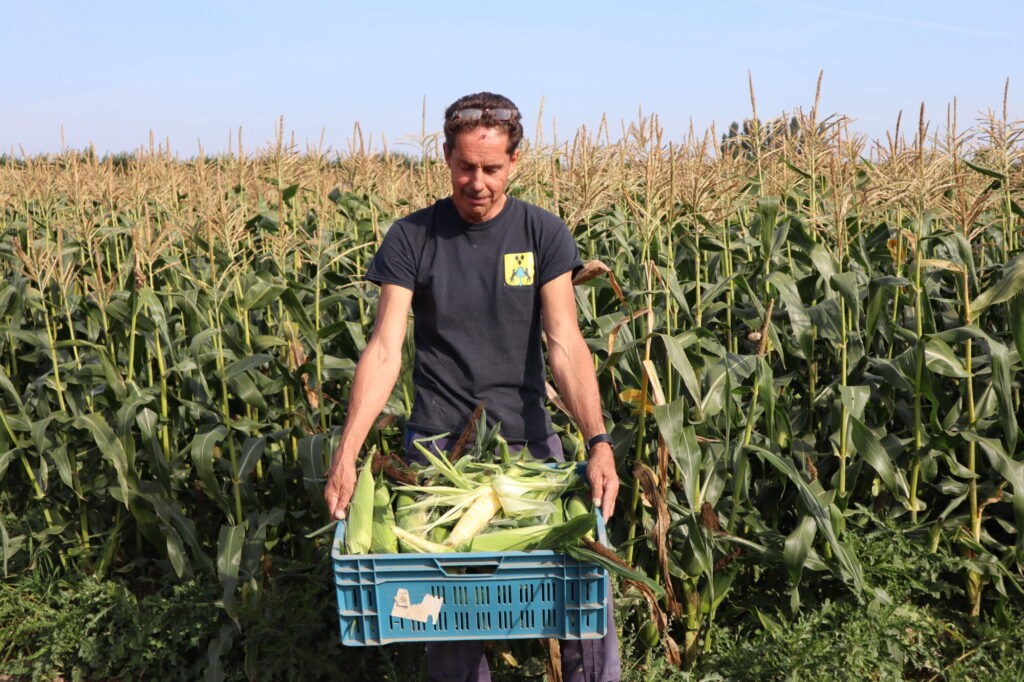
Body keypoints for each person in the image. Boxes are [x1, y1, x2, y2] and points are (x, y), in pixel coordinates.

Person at [323, 92, 621, 682]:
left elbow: (564, 342)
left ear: (515, 162)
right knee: (447, 614)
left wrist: (598, 441)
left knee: (582, 593)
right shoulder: (412, 237)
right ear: (445, 157)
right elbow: (384, 349)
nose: (477, 183)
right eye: (465, 167)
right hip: (439, 449)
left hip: (526, 446)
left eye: (491, 168)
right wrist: (347, 453)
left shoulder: (542, 232)